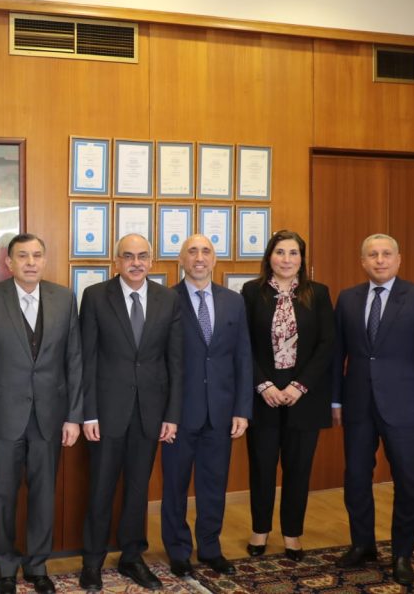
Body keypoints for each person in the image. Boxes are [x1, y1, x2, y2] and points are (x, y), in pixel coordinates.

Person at [0, 233, 83, 594]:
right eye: (22, 256)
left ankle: (37, 566)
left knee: (44, 495)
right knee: (3, 495)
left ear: (44, 260)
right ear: (9, 262)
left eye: (37, 255)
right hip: (2, 416)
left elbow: (74, 360)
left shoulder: (64, 298)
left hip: (50, 416)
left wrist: (73, 416)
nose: (31, 262)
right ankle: (5, 567)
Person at [332, 234, 414, 587]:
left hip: (405, 408)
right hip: (358, 406)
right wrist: (336, 401)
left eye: (386, 254)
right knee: (356, 478)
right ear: (362, 261)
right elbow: (337, 354)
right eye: (372, 255)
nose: (379, 260)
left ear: (398, 259)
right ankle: (363, 544)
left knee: (408, 480)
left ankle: (402, 554)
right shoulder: (348, 298)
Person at [79, 233, 182, 591]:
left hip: (150, 412)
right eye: (128, 256)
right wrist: (88, 413)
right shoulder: (95, 296)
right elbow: (86, 358)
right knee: (101, 488)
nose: (136, 263)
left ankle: (132, 557)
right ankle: (92, 561)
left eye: (142, 256)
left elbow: (175, 361)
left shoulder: (168, 299)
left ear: (151, 260)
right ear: (116, 261)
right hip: (107, 412)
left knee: (138, 489)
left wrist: (171, 415)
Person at [160, 235, 253, 578]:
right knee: (175, 486)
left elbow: (243, 357)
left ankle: (210, 548)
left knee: (214, 485)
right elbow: (160, 360)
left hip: (221, 411)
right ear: (181, 260)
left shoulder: (233, 301)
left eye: (206, 251)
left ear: (215, 259)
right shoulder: (166, 300)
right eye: (192, 251)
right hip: (179, 414)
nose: (199, 257)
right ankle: (178, 551)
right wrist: (165, 413)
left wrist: (242, 409)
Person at [241, 230, 334, 561]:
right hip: (263, 395)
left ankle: (292, 534)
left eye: (294, 253)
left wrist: (299, 386)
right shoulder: (251, 292)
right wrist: (263, 385)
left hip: (303, 397)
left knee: (298, 468)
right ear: (269, 257)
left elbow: (327, 344)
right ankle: (260, 530)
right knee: (262, 467)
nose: (286, 259)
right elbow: (243, 345)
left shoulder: (318, 293)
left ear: (302, 259)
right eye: (280, 252)